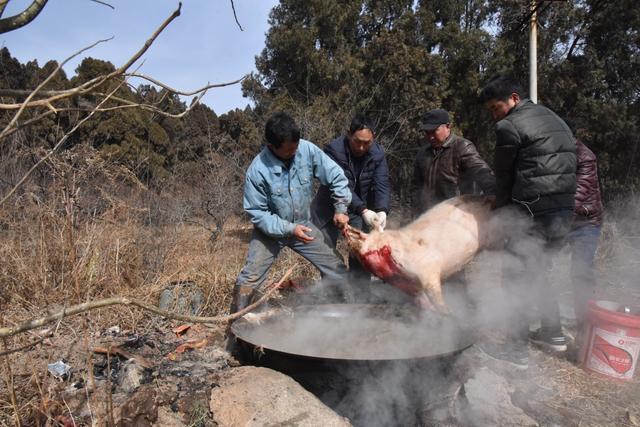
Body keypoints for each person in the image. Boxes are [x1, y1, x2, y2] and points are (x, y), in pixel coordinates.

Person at [478, 75, 577, 370]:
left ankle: (517, 351)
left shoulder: (509, 126)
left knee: (515, 276)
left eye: (496, 108)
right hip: (562, 212)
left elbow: (505, 176)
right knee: (539, 272)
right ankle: (554, 335)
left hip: (532, 212)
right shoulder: (554, 117)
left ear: (514, 99)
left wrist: (499, 216)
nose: (495, 116)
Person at [230, 112, 352, 314]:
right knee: (249, 279)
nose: (294, 152)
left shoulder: (307, 149)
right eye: (288, 151)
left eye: (296, 147)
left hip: (303, 224)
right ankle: (235, 328)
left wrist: (340, 208)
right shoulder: (257, 170)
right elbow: (257, 213)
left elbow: (336, 176)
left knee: (336, 266)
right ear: (271, 146)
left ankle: (343, 314)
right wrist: (289, 229)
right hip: (269, 232)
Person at [312, 113, 391, 284]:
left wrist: (382, 210)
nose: (362, 148)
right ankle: (333, 293)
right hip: (329, 207)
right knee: (327, 251)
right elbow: (342, 185)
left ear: (373, 138)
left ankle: (360, 292)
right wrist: (363, 209)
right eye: (358, 142)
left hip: (358, 209)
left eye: (367, 143)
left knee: (360, 250)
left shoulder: (377, 154)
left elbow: (382, 183)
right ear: (349, 134)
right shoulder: (333, 151)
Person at [412, 108, 496, 216]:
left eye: (434, 131)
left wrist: (492, 192)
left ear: (448, 126)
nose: (430, 137)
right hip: (428, 215)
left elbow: (480, 170)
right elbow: (416, 187)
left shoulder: (462, 147)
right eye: (427, 133)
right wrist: (413, 214)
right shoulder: (422, 153)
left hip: (457, 214)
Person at [564, 119, 603, 350]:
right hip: (564, 221)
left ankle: (585, 330)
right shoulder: (555, 155)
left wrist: (555, 222)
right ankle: (550, 328)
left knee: (581, 274)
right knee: (539, 264)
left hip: (585, 224)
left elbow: (577, 195)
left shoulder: (585, 156)